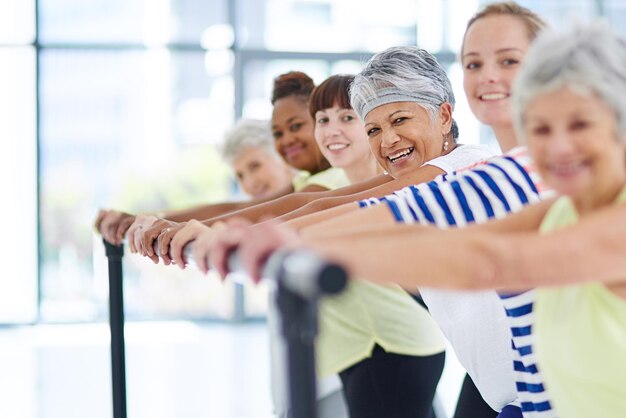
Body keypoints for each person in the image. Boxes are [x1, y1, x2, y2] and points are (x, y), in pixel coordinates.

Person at [200, 3, 557, 418]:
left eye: (401, 119)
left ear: (444, 116)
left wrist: (248, 235)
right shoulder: (451, 169)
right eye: (373, 128)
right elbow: (327, 202)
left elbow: (355, 210)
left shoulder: (462, 167)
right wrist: (214, 228)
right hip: (506, 391)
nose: (387, 140)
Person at [95, 71, 344, 247]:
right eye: (278, 133)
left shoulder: (335, 177)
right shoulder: (305, 180)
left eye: (296, 126)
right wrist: (146, 218)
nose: (287, 140)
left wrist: (176, 226)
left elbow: (247, 213)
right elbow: (234, 208)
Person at [221, 118, 296, 199]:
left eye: (255, 166)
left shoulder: (310, 197)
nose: (249, 184)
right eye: (240, 176)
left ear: (283, 156)